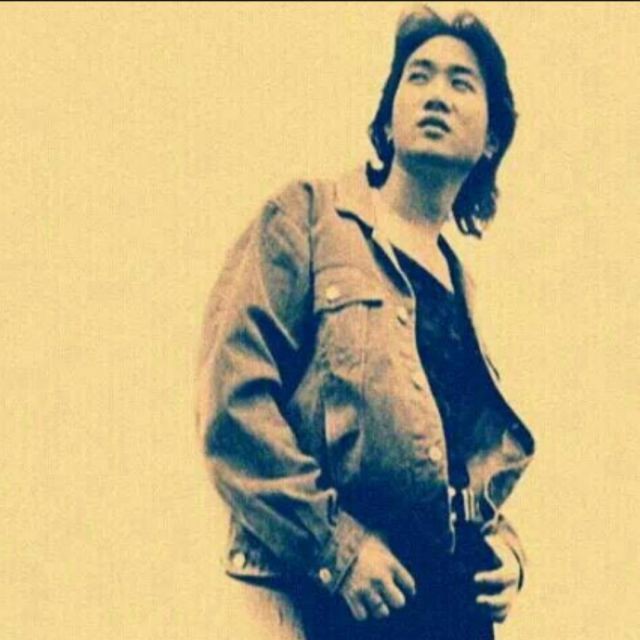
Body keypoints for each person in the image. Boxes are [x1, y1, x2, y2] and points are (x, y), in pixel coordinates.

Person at [196, 4, 535, 639]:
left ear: (491, 137)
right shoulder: (309, 218)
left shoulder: (460, 283)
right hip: (341, 598)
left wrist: (510, 553)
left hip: (456, 604)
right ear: (387, 118)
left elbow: (457, 458)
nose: (436, 94)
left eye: (461, 82)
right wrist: (337, 550)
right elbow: (233, 404)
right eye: (418, 76)